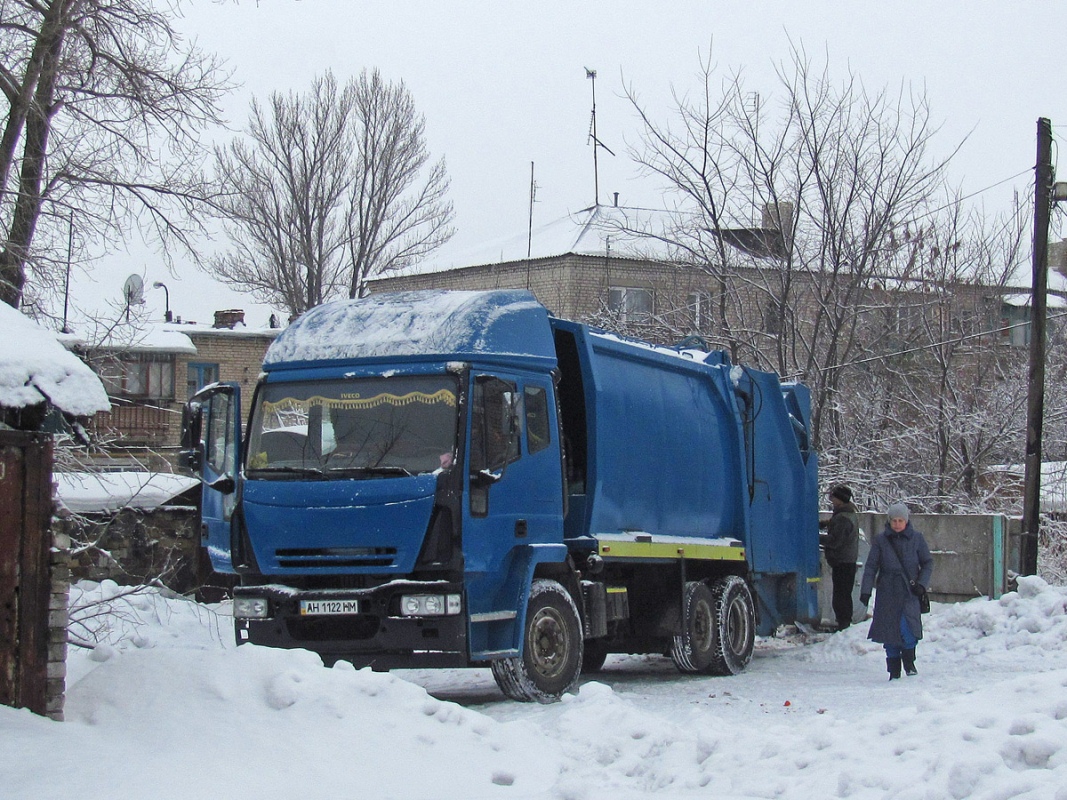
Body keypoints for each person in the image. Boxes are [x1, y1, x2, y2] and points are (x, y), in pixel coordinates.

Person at [859, 503, 933, 680]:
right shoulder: (881, 540)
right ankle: (893, 671)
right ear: (889, 521)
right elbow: (871, 567)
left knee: (908, 629)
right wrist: (866, 591)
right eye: (894, 520)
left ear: (906, 521)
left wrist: (921, 584)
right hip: (887, 592)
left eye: (901, 520)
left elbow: (928, 563)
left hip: (909, 591)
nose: (897, 524)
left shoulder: (917, 538)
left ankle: (909, 664)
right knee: (889, 633)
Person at [820, 485, 859, 631]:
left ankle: (843, 624)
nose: (831, 499)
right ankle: (844, 622)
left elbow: (835, 540)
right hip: (847, 561)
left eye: (834, 497)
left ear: (840, 500)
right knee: (844, 593)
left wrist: (817, 538)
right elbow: (834, 525)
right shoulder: (847, 514)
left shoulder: (843, 517)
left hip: (842, 561)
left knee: (840, 595)